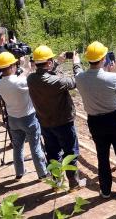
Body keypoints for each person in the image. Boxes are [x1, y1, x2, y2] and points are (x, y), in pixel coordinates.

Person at [75, 42, 116, 198]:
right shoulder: (113, 77)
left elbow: (82, 74)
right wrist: (113, 72)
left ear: (89, 59)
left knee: (102, 155)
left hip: (95, 121)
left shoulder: (80, 78)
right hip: (115, 119)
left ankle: (105, 189)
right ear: (103, 58)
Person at [27, 45, 86, 190]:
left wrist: (57, 63)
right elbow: (76, 80)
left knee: (53, 153)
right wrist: (76, 63)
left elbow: (45, 76)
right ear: (48, 62)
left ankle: (57, 182)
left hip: (45, 123)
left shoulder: (31, 79)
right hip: (63, 122)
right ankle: (74, 183)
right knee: (70, 153)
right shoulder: (57, 82)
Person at [0, 52, 48, 180]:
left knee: (17, 147)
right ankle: (42, 173)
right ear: (12, 66)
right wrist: (28, 69)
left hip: (13, 119)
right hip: (28, 118)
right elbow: (27, 81)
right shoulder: (19, 82)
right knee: (35, 146)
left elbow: (20, 79)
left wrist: (26, 69)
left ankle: (19, 172)